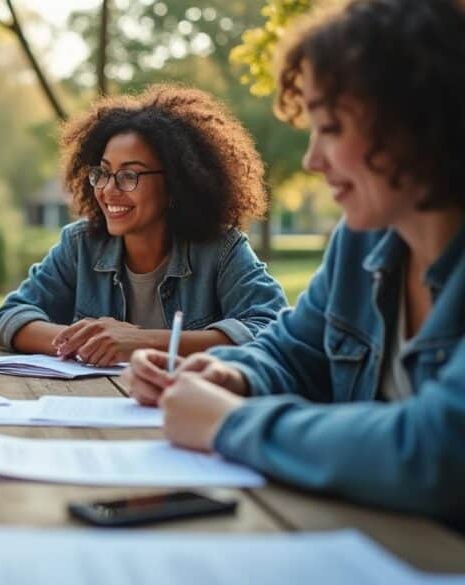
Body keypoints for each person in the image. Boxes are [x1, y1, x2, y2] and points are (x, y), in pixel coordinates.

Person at [124, 0, 465, 518]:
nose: (311, 160)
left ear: (414, 122)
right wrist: (228, 375)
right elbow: (293, 351)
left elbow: (438, 449)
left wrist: (226, 423)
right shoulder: (362, 243)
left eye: (329, 128)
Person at [0, 85, 287, 365]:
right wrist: (93, 342)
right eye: (103, 173)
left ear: (174, 184)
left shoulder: (221, 249)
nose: (108, 190)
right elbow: (10, 316)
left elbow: (271, 327)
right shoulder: (81, 244)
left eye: (129, 175)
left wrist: (142, 342)